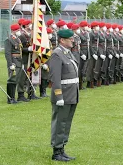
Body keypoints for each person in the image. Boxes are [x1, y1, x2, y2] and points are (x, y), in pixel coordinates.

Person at [48, 29, 79, 162]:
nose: (73, 40)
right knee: (60, 123)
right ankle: (56, 152)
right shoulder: (57, 54)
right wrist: (59, 96)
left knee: (66, 123)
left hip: (71, 94)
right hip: (63, 96)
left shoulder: (67, 53)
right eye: (70, 38)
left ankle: (62, 149)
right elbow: (55, 78)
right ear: (62, 40)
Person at [4, 24, 26, 104]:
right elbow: (7, 53)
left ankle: (13, 98)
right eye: (17, 30)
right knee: (12, 80)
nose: (19, 32)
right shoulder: (9, 40)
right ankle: (10, 98)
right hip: (14, 62)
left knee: (16, 80)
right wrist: (10, 64)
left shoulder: (17, 39)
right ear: (13, 31)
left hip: (19, 61)